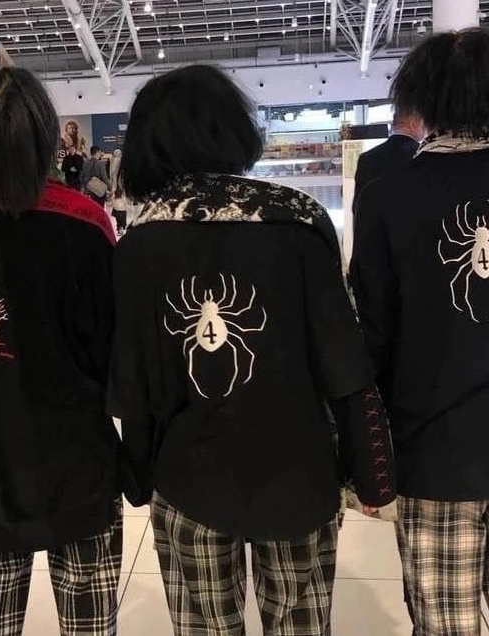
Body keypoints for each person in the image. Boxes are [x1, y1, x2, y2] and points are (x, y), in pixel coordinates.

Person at [109, 64, 397, 636]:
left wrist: (136, 476)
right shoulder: (301, 220)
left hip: (189, 479)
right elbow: (343, 363)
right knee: (300, 623)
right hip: (298, 475)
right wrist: (372, 472)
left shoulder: (141, 241)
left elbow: (137, 384)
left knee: (204, 625)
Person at [350, 29, 489, 636]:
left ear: (420, 100)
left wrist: (366, 455)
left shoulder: (387, 197)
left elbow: (371, 336)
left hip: (434, 450)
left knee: (445, 622)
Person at [0, 66, 126, 636]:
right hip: (78, 458)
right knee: (89, 624)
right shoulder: (85, 222)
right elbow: (107, 346)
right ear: (45, 138)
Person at [353, 110, 425, 207]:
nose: (425, 130)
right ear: (413, 123)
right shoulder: (423, 156)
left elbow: (357, 206)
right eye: (423, 125)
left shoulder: (366, 158)